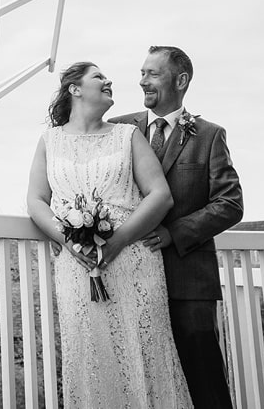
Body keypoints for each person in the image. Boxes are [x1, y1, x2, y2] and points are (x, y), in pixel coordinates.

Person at [27, 61, 193, 408]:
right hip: (77, 265)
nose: (109, 81)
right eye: (99, 77)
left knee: (143, 351)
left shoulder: (127, 135)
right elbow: (36, 200)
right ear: (75, 89)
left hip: (133, 260)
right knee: (90, 355)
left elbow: (160, 195)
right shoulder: (50, 141)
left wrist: (118, 241)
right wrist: (66, 239)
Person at [110, 46, 243, 409]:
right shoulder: (119, 129)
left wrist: (174, 233)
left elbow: (230, 204)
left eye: (152, 73)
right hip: (130, 279)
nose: (142, 80)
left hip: (188, 280)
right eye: (141, 72)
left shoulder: (209, 135)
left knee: (204, 381)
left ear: (180, 80)